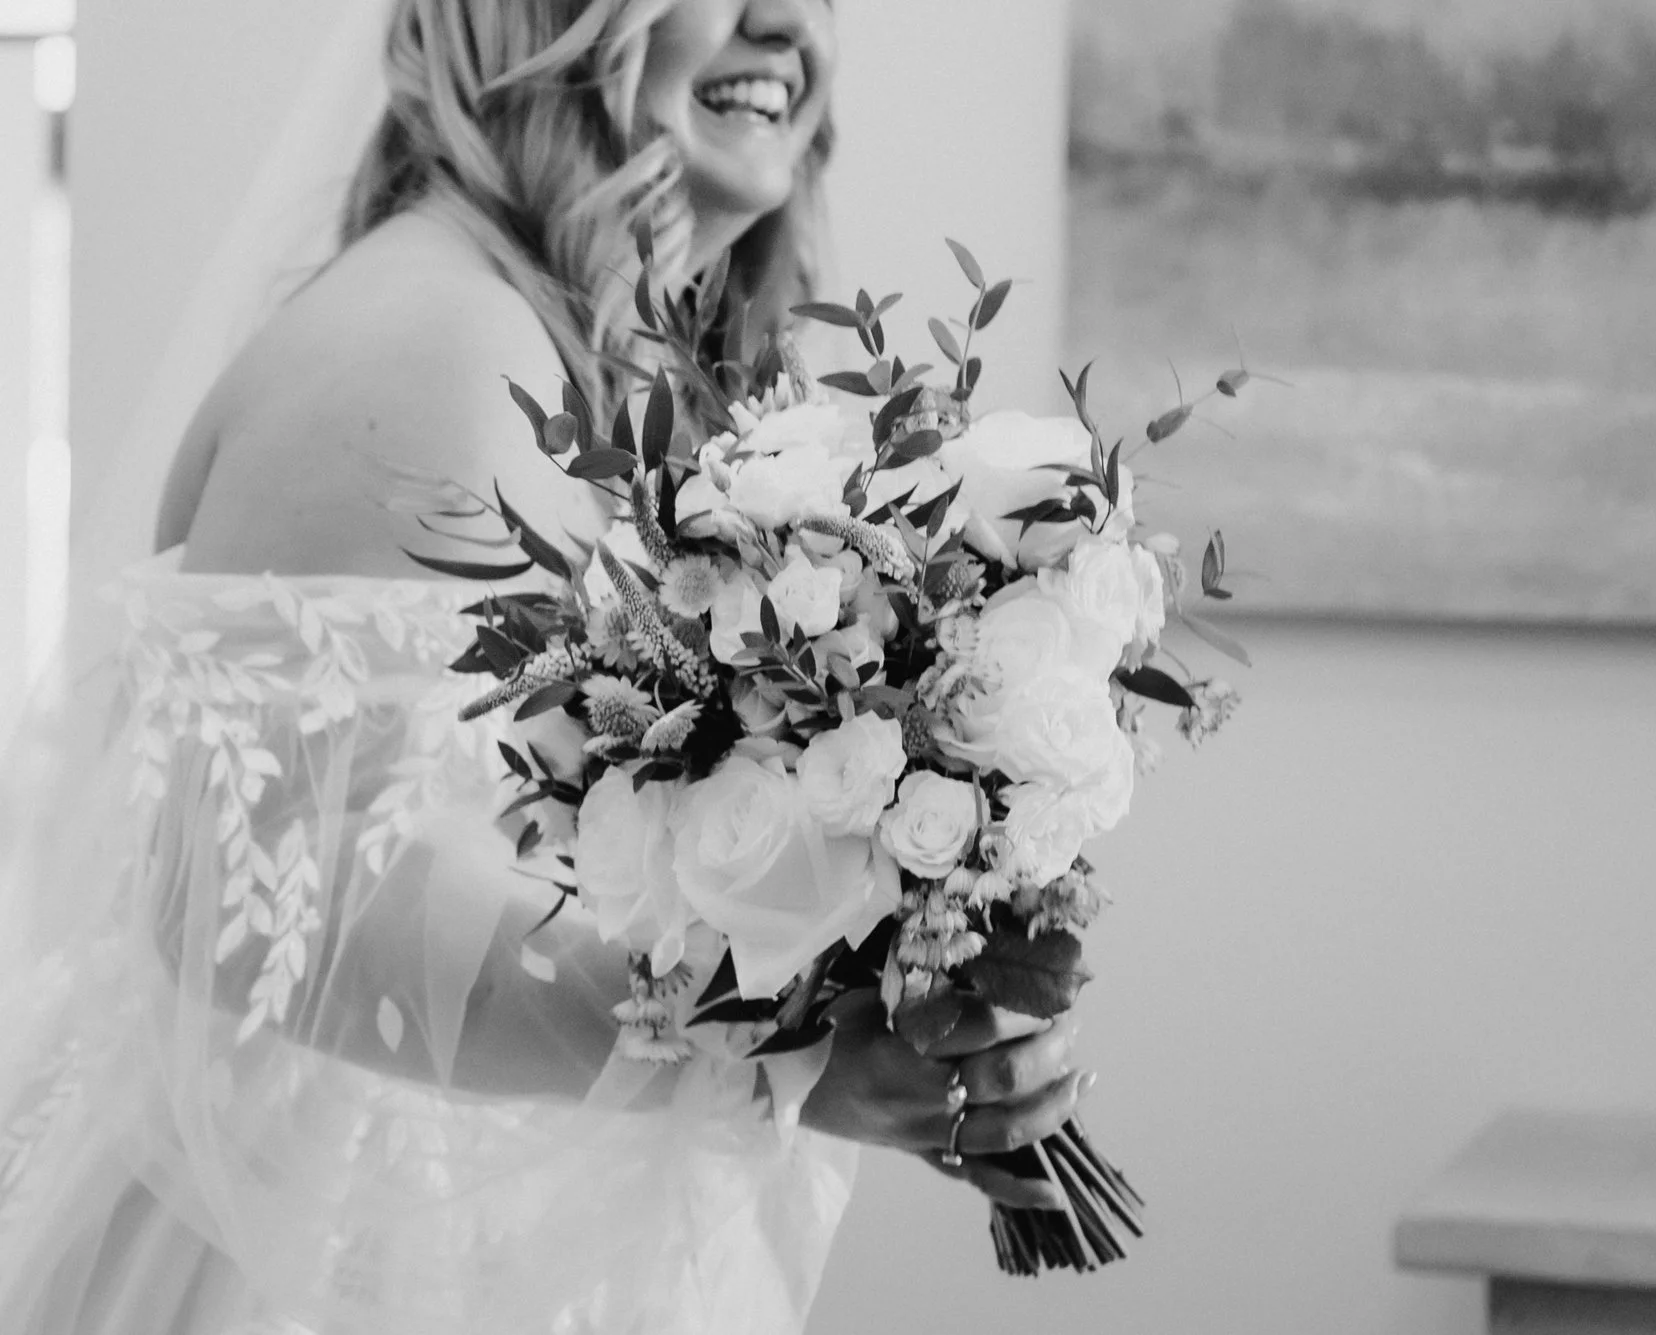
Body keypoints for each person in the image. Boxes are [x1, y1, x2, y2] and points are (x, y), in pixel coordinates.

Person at [0, 2, 1086, 1330]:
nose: (789, 19)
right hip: (321, 1263)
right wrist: (772, 1044)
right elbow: (273, 895)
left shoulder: (609, 355)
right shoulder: (433, 335)